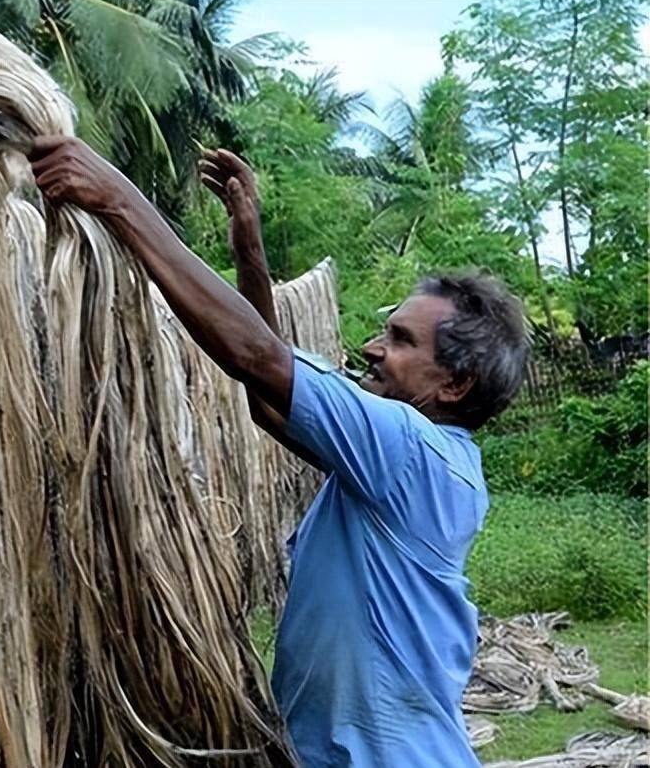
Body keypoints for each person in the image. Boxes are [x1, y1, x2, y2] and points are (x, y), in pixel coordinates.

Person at [28, 135, 529, 767]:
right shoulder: (407, 467)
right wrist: (249, 247)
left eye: (402, 341)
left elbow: (259, 358)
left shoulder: (411, 451)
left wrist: (120, 199)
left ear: (455, 384)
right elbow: (269, 400)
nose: (374, 348)